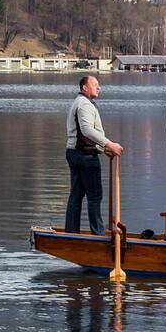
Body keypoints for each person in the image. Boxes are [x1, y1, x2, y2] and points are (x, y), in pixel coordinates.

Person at [63, 75, 120, 234]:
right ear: (84, 88)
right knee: (95, 196)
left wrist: (103, 149)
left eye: (98, 85)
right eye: (95, 85)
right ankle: (98, 234)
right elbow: (87, 131)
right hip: (85, 156)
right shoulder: (84, 105)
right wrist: (109, 144)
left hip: (75, 153)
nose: (98, 87)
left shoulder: (79, 102)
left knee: (76, 194)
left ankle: (71, 232)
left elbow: (83, 135)